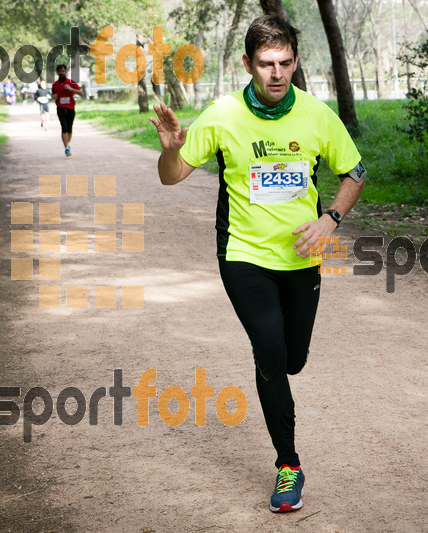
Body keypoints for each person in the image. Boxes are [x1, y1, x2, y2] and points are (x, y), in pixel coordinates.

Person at [150, 15, 365, 514]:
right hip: (242, 255)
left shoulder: (315, 115)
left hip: (301, 258)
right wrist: (170, 152)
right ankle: (288, 466)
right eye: (266, 63)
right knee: (269, 349)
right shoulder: (222, 114)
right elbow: (171, 177)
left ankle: (278, 365)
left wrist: (330, 219)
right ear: (247, 63)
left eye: (285, 62)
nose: (276, 73)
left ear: (294, 61)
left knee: (292, 359)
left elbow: (355, 170)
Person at [51, 64, 83, 157]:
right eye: (60, 71)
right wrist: (54, 97)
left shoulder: (71, 82)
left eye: (63, 71)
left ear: (65, 72)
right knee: (64, 127)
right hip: (60, 108)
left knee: (69, 128)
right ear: (57, 72)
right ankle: (66, 148)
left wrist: (70, 89)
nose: (61, 73)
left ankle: (67, 144)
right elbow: (53, 95)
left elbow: (81, 93)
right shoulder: (55, 85)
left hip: (70, 108)